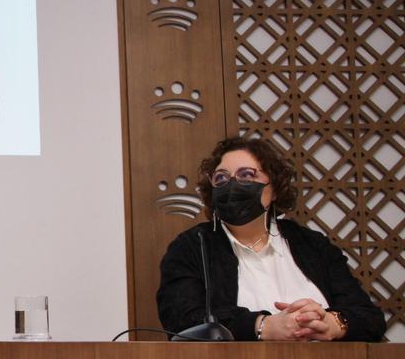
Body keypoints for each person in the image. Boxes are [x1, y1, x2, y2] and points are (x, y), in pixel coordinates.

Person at [157, 137, 385, 341]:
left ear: (274, 189)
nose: (232, 184)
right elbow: (181, 319)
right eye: (221, 177)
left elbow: (369, 317)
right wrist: (264, 326)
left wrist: (331, 324)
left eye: (247, 175)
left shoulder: (313, 245)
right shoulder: (193, 246)